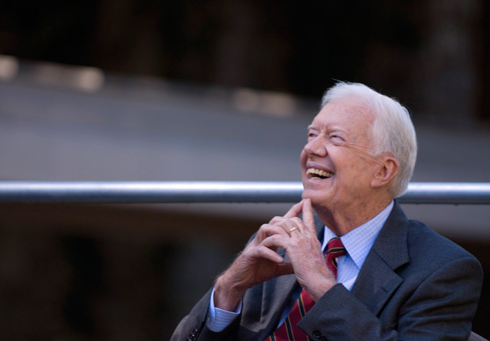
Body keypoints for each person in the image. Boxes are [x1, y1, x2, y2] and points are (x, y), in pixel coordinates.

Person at [171, 82, 483, 341]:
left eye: (334, 138)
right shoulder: (279, 243)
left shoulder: (442, 270)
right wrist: (229, 289)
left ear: (383, 171)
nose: (312, 150)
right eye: (311, 134)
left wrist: (322, 286)